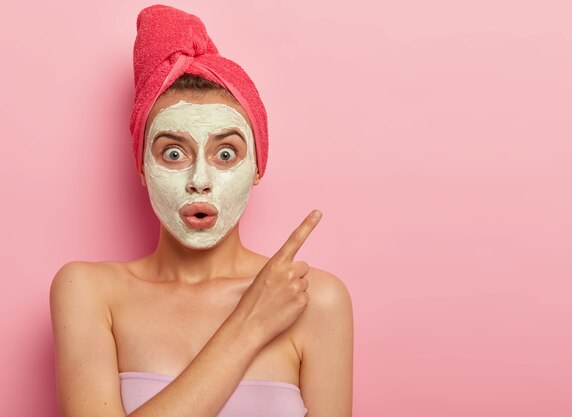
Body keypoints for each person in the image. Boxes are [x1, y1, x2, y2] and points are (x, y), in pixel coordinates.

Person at [49, 5, 353, 417]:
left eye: (226, 153)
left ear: (258, 167)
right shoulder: (88, 291)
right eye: (173, 153)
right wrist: (249, 325)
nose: (199, 179)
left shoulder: (314, 299)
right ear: (142, 168)